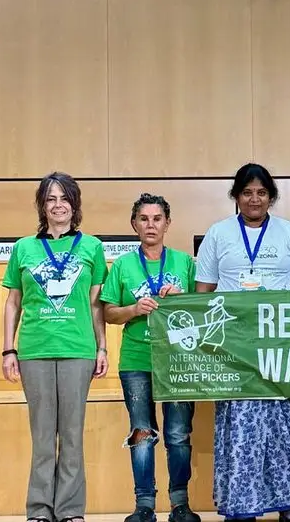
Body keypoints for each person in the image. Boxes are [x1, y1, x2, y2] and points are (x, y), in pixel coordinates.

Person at [194, 163, 290, 522]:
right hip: (235, 349)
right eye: (247, 192)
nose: (254, 199)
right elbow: (202, 294)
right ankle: (242, 508)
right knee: (242, 430)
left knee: (286, 428)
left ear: (271, 197)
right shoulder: (218, 234)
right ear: (236, 196)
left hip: (282, 347)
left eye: (261, 192)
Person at [0, 171, 109, 522]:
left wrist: (102, 347)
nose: (58, 205)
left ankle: (71, 510)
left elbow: (96, 304)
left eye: (64, 198)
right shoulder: (24, 248)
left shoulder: (92, 246)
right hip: (34, 350)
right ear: (42, 207)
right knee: (43, 435)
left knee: (73, 435)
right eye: (51, 199)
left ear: (74, 205)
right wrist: (8, 349)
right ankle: (39, 510)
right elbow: (13, 303)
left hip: (78, 350)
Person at [100, 193, 201, 522]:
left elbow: (200, 310)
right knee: (142, 433)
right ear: (134, 224)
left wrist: (181, 299)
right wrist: (134, 308)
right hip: (137, 359)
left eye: (157, 218)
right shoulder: (124, 266)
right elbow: (108, 313)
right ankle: (144, 505)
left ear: (167, 224)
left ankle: (180, 504)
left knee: (178, 434)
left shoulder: (184, 262)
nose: (150, 224)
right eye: (144, 219)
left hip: (178, 361)